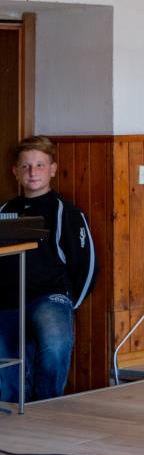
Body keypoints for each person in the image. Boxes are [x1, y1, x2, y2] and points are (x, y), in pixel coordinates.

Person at [0, 136, 96, 402]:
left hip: (49, 298)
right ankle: (13, 409)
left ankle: (48, 406)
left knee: (54, 345)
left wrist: (70, 302)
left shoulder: (66, 212)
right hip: (6, 302)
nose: (33, 172)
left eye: (40, 165)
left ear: (52, 169)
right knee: (5, 370)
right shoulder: (5, 210)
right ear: (15, 172)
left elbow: (87, 265)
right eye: (26, 166)